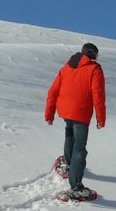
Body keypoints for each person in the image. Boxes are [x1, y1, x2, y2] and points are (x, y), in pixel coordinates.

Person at [44, 43, 106, 199]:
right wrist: (101, 118)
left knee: (69, 135)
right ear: (94, 55)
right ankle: (76, 186)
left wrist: (49, 114)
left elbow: (53, 91)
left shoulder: (67, 67)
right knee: (80, 148)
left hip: (65, 111)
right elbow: (98, 95)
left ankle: (68, 164)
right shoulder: (94, 69)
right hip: (81, 113)